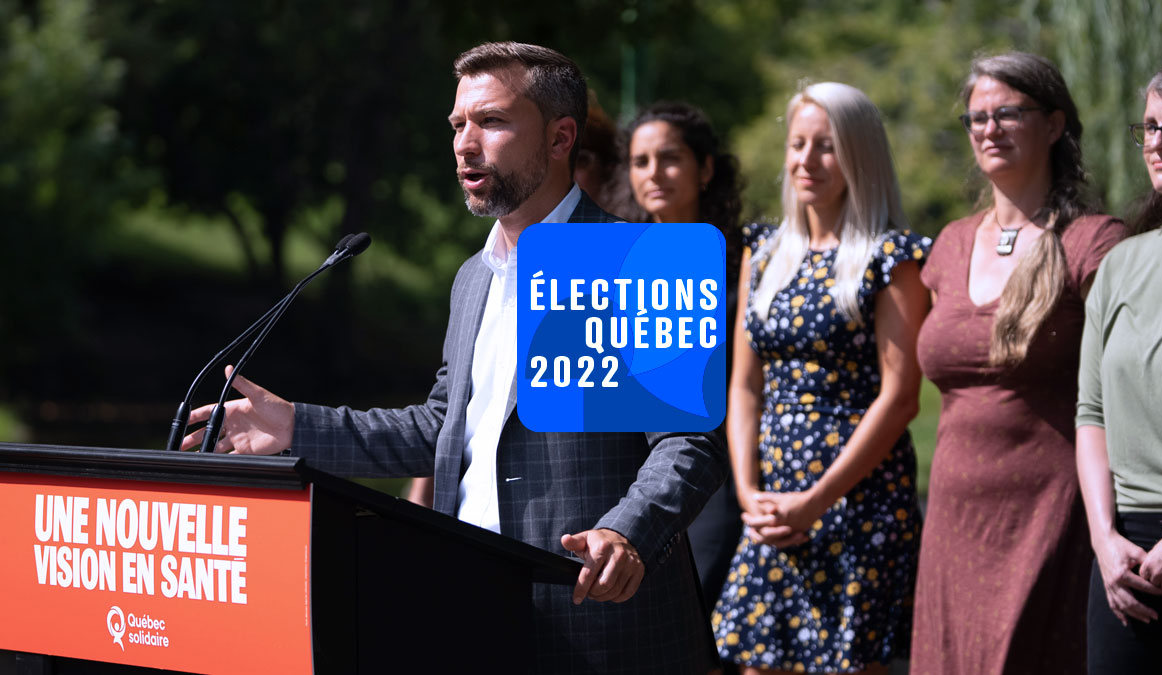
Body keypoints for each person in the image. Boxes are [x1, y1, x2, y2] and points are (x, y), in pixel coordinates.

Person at [182, 41, 727, 674]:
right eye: (457, 124)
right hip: (470, 611)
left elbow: (689, 441)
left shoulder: (638, 259)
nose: (464, 143)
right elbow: (444, 429)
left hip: (602, 632)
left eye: (491, 121)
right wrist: (297, 428)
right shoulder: (474, 277)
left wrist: (628, 529)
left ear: (560, 137)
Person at [911, 52, 1127, 675]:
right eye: (976, 117)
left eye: (1009, 113)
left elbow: (1126, 389)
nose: (989, 128)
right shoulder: (950, 244)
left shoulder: (1092, 242)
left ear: (1055, 124)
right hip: (952, 514)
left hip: (1051, 512)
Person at [711, 82, 928, 674]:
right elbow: (745, 384)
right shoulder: (765, 249)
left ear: (861, 155)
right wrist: (750, 492)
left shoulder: (893, 257)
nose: (806, 160)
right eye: (798, 144)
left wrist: (815, 501)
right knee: (757, 661)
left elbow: (901, 396)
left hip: (858, 502)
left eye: (826, 147)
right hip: (773, 501)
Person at [1077, 57, 1162, 674]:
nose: (1157, 141)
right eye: (1148, 126)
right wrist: (1103, 538)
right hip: (1124, 556)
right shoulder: (1121, 265)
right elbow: (1091, 412)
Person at [622, 100, 745, 613]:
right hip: (630, 483)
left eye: (670, 158)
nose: (654, 173)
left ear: (706, 168)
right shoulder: (611, 266)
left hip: (721, 479)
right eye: (640, 161)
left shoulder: (747, 264)